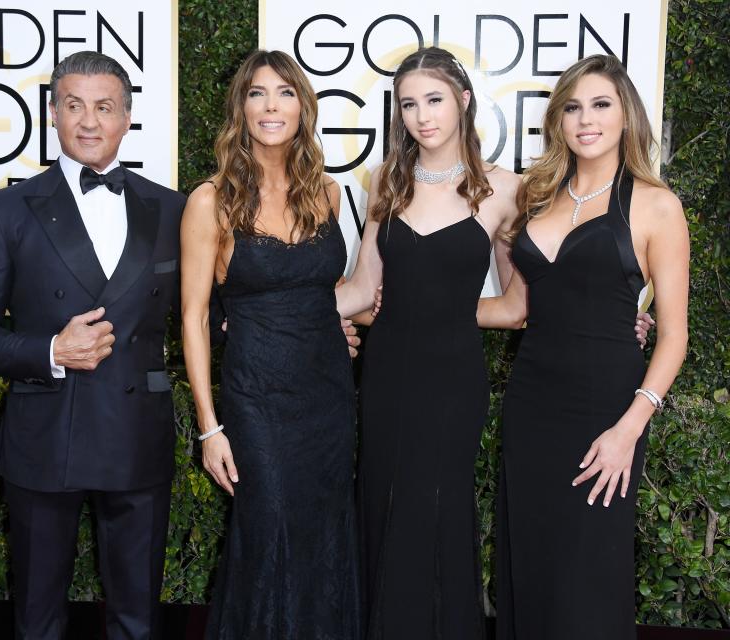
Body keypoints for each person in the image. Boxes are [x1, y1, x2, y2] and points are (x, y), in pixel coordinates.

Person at [0, 52, 184, 640]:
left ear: (127, 117)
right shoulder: (6, 209)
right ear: (52, 113)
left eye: (104, 107)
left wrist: (319, 320)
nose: (88, 121)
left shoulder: (174, 209)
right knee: (37, 618)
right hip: (44, 435)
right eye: (73, 105)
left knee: (138, 620)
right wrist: (51, 350)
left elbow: (213, 314)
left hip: (136, 434)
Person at [478, 54, 689, 640]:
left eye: (600, 105)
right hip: (532, 406)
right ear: (558, 120)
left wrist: (630, 429)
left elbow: (673, 334)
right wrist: (422, 311)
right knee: (531, 564)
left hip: (606, 414)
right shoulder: (537, 198)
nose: (585, 119)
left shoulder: (655, 204)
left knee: (588, 580)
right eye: (572, 107)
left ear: (627, 116)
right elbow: (515, 309)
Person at [335, 47, 521, 639]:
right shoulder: (385, 180)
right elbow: (364, 288)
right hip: (386, 376)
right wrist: (275, 309)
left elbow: (519, 305)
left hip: (452, 381)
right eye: (409, 104)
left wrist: (441, 312)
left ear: (464, 101)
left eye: (434, 100)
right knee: (382, 503)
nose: (422, 116)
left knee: (437, 508)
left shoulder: (505, 190)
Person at [181, 50, 360, 639]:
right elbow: (193, 315)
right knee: (269, 529)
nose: (271, 106)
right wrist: (210, 428)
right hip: (256, 400)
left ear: (303, 108)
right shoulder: (212, 200)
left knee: (323, 531)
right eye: (257, 93)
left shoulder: (327, 195)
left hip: (328, 397)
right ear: (241, 107)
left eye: (284, 93)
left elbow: (324, 294)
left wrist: (343, 324)